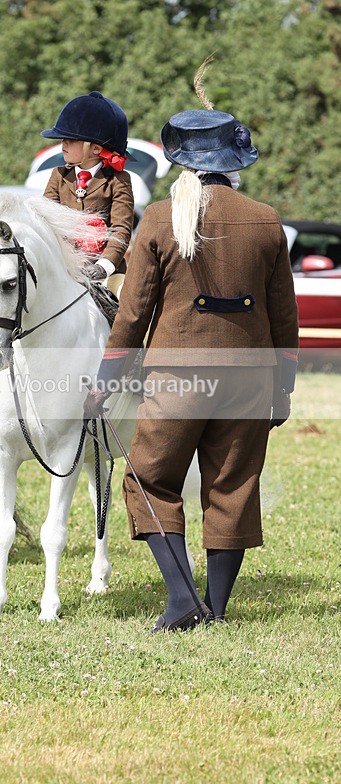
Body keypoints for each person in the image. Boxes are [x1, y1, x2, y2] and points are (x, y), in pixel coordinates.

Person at [84, 104, 299, 632]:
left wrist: (106, 381)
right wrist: (283, 392)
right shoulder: (267, 220)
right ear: (234, 161)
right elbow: (284, 317)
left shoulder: (160, 217)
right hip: (250, 381)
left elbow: (133, 314)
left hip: (177, 381)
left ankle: (182, 599)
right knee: (232, 488)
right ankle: (217, 609)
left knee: (148, 478)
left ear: (182, 161)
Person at [41, 91, 134, 291]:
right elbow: (45, 220)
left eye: (70, 139)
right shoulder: (58, 176)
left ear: (96, 149)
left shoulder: (118, 180)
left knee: (126, 302)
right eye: (63, 139)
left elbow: (121, 229)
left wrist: (104, 266)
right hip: (63, 267)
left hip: (106, 272)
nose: (63, 144)